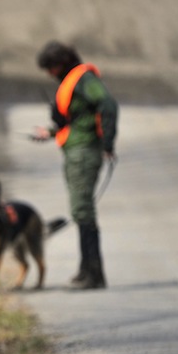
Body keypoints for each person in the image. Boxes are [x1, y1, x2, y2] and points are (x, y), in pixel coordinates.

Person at [32, 40, 118, 290]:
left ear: (61, 63)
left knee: (83, 211)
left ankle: (94, 274)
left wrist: (108, 143)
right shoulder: (74, 81)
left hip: (85, 151)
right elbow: (79, 117)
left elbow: (108, 105)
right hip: (75, 148)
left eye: (51, 67)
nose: (50, 73)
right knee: (81, 211)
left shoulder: (84, 79)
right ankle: (85, 270)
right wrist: (49, 132)